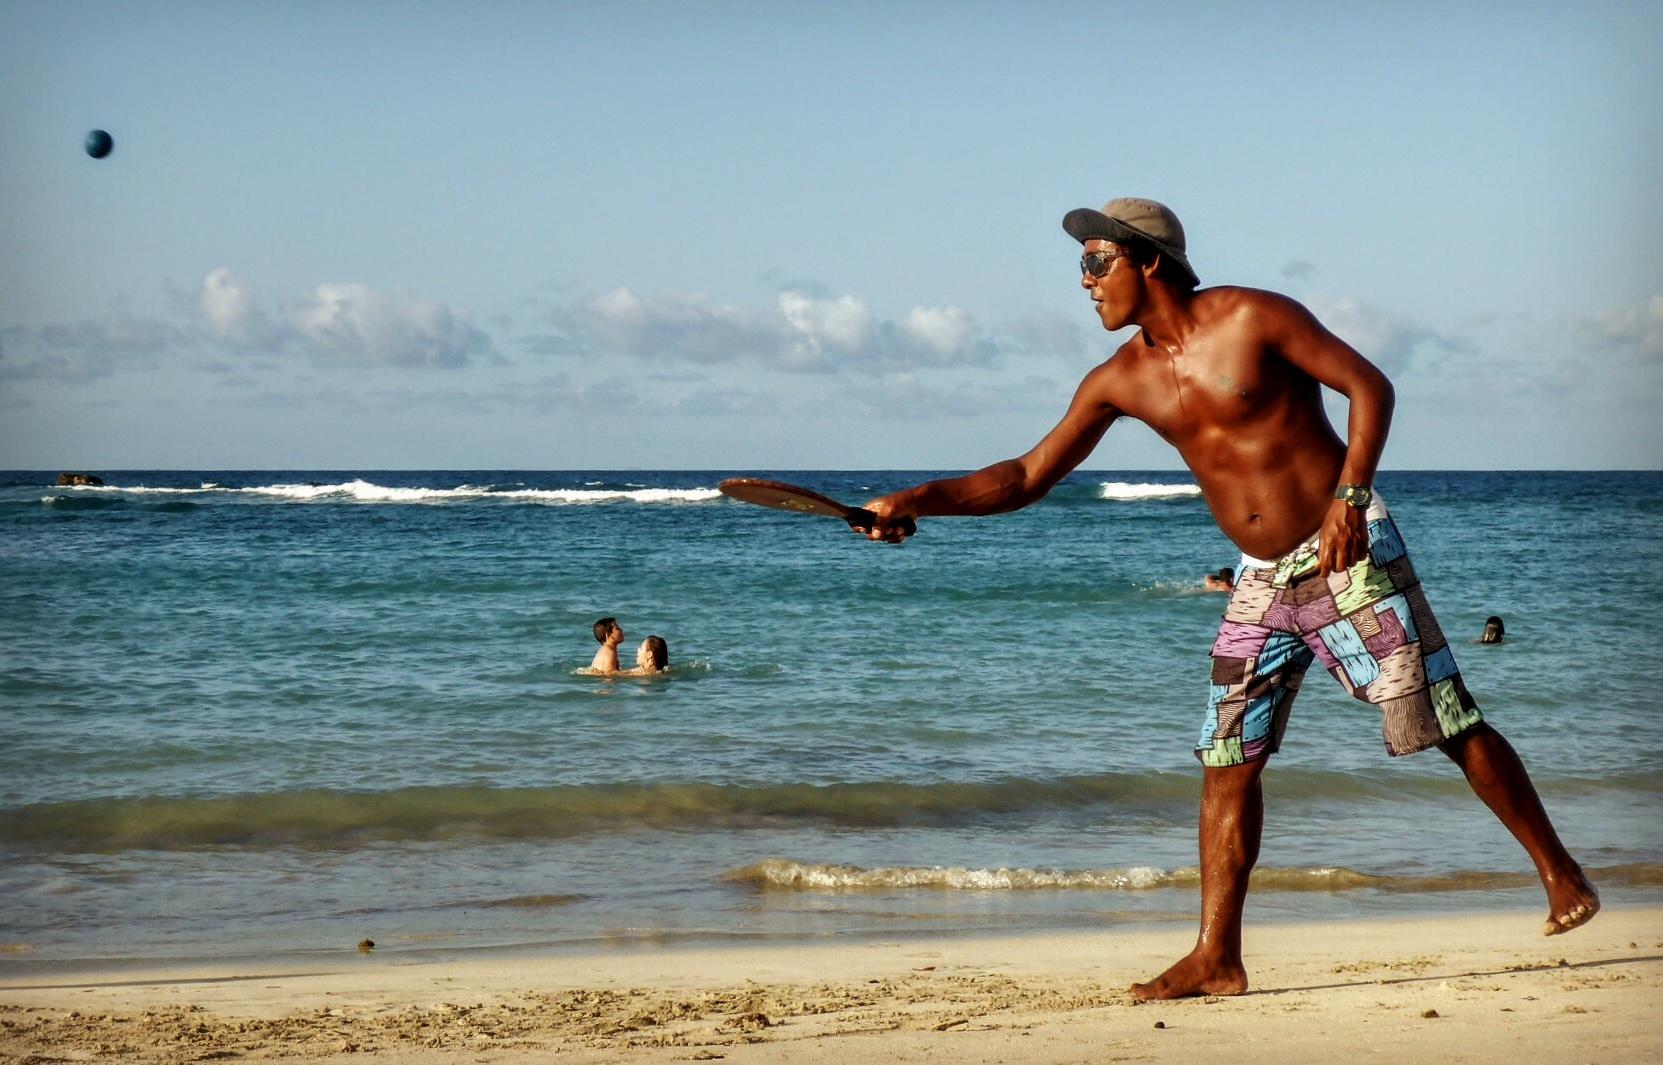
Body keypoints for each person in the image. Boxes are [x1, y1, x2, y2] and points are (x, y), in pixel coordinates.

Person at [853, 197, 1597, 1000]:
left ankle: (1561, 875)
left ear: (1146, 262)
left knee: (1441, 717)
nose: (1083, 281)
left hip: (1342, 547)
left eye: (1095, 261)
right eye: (1080, 266)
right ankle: (1216, 955)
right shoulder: (1119, 380)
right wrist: (920, 498)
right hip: (1257, 577)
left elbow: (1368, 387)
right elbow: (1025, 477)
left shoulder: (1252, 317)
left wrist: (1350, 500)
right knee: (1225, 756)